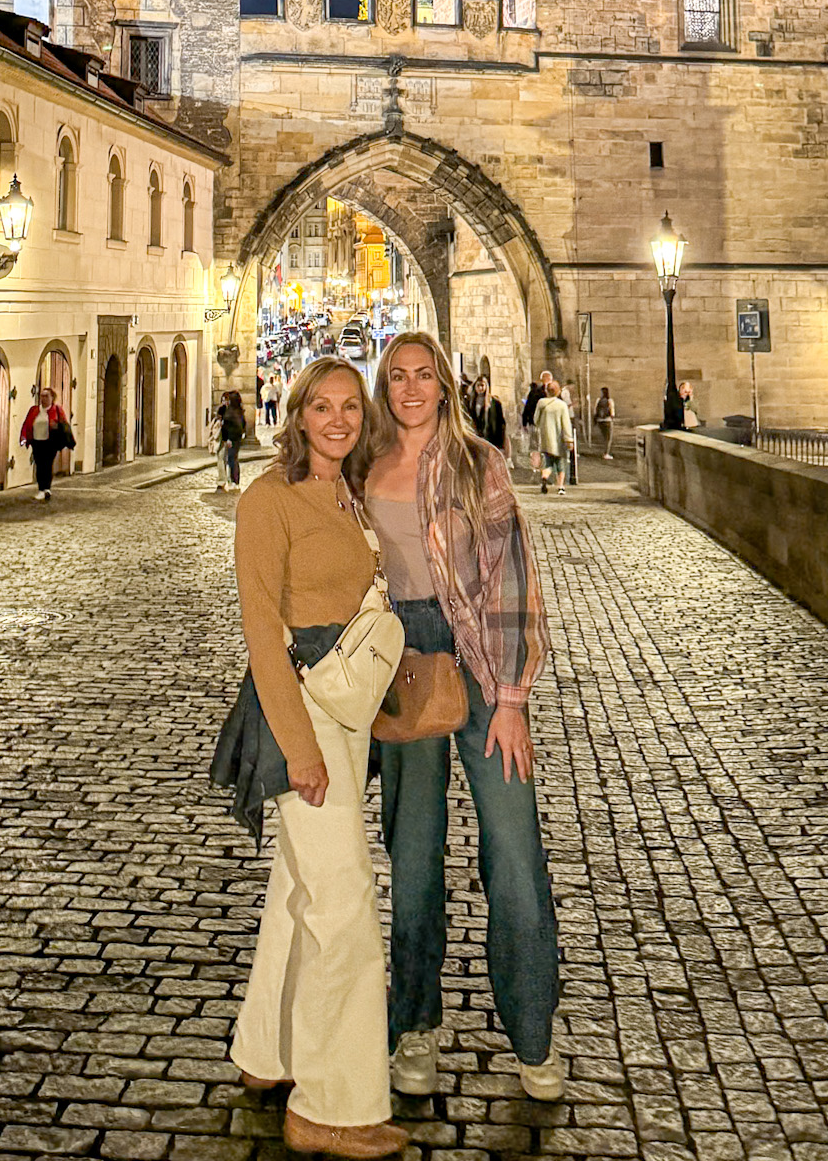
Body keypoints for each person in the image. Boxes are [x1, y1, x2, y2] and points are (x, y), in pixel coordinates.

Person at [361, 332, 562, 1103]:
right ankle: (414, 1025)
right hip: (403, 663)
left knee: (513, 851)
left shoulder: (480, 463)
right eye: (398, 377)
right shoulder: (364, 466)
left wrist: (511, 700)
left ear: (445, 385)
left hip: (477, 662)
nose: (411, 389)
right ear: (388, 388)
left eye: (424, 376)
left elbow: (513, 578)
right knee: (413, 854)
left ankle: (533, 1034)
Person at [219, 357, 407, 1159]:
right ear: (295, 416)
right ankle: (329, 1103)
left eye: (349, 408)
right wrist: (299, 749)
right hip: (299, 712)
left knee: (300, 887)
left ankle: (267, 1052)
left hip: (346, 708)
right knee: (345, 901)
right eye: (320, 407)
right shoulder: (267, 501)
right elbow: (262, 632)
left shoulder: (346, 492)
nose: (336, 420)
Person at [19, 385, 68, 502]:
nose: (43, 398)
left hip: (50, 442)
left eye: (46, 396)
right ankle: (43, 489)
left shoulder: (57, 410)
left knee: (47, 464)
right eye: (42, 396)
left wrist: (56, 426)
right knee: (40, 464)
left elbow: (64, 425)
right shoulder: (34, 410)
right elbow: (27, 424)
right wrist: (24, 436)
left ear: (52, 398)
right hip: (37, 441)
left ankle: (45, 488)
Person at [532, 380, 571, 496]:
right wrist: (569, 439)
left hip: (545, 438)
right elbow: (566, 424)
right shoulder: (562, 405)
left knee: (548, 463)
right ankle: (560, 486)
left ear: (546, 391)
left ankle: (544, 477)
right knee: (560, 463)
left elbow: (535, 420)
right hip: (559, 439)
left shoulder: (541, 403)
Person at [471, 375, 507, 463]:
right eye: (478, 385)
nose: (480, 388)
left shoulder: (494, 402)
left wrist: (501, 444)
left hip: (490, 437)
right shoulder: (470, 402)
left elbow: (500, 423)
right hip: (475, 437)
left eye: (482, 385)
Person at [220, 392, 247, 490]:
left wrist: (228, 438)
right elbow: (243, 425)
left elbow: (229, 427)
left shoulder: (231, 412)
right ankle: (234, 480)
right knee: (233, 458)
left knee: (232, 459)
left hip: (232, 439)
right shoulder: (239, 411)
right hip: (237, 438)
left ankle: (234, 480)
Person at [593, 386, 615, 461]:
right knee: (608, 438)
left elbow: (595, 411)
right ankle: (606, 453)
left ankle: (603, 451)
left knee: (603, 437)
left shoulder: (598, 400)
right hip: (607, 421)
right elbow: (612, 413)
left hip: (600, 421)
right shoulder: (610, 400)